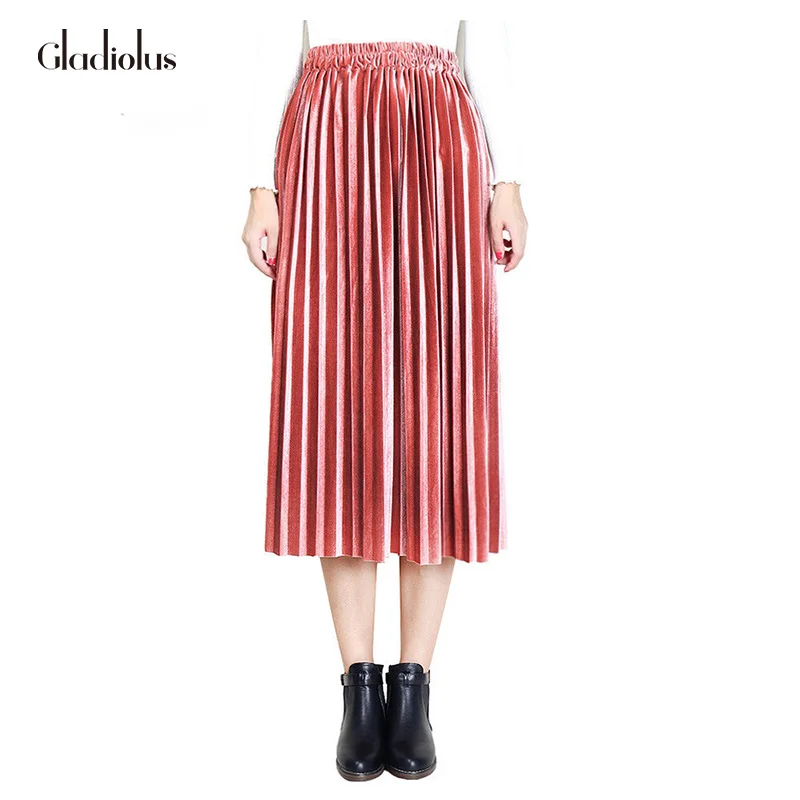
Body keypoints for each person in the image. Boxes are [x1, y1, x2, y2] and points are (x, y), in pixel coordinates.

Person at [241, 19, 528, 781]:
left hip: (438, 126)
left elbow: (485, 26)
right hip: (326, 129)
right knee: (337, 400)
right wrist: (261, 187)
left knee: (437, 407)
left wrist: (508, 181)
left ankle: (414, 688)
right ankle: (359, 691)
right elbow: (271, 27)